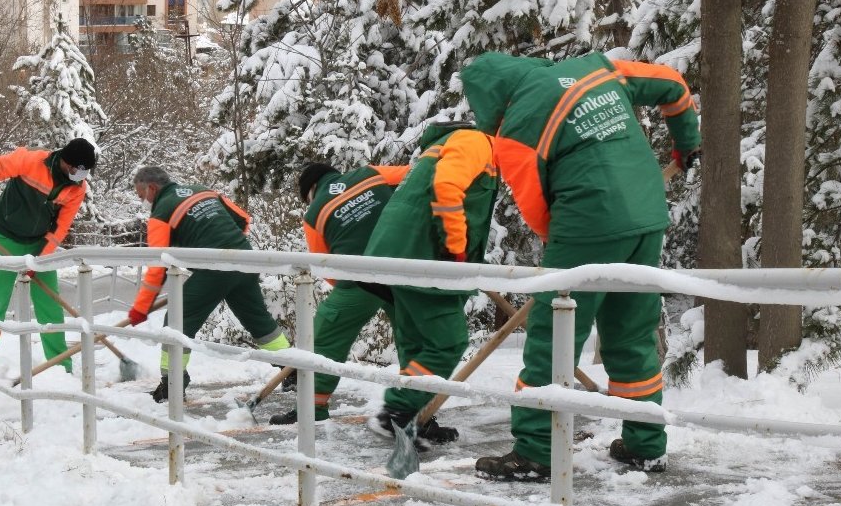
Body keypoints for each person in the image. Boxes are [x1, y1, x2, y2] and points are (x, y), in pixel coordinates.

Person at [459, 51, 702, 480]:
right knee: (630, 335)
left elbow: (536, 209)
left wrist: (569, 252)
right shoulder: (597, 69)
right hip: (648, 216)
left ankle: (536, 451)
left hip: (586, 221)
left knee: (552, 339)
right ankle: (646, 445)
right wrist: (686, 145)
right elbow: (673, 85)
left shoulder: (515, 130)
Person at [360, 120, 500, 449]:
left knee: (417, 343)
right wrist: (456, 247)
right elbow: (448, 186)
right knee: (446, 341)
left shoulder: (439, 147)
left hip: (396, 253)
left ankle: (415, 417)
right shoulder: (477, 141)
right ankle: (396, 410)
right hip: (423, 254)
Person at [129, 166, 292, 402]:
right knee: (258, 321)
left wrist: (141, 308)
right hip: (244, 259)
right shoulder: (201, 191)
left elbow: (158, 266)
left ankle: (171, 384)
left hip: (214, 268)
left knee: (176, 320)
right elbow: (243, 220)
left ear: (152, 188)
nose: (142, 201)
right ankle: (293, 370)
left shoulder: (161, 212)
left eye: (141, 195)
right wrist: (225, 241)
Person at [267, 161, 411, 425]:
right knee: (414, 341)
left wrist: (346, 289)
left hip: (358, 280)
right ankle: (418, 414)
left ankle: (312, 409)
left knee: (323, 340)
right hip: (403, 271)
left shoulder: (313, 215)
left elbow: (326, 266)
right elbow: (416, 175)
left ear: (311, 189)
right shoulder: (372, 174)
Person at [0, 137, 96, 374]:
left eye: (85, 172)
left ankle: (60, 364)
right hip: (3, 235)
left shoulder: (77, 188)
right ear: (66, 161)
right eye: (78, 169)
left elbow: (61, 228)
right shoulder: (30, 160)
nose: (80, 176)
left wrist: (42, 259)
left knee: (50, 304)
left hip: (39, 243)